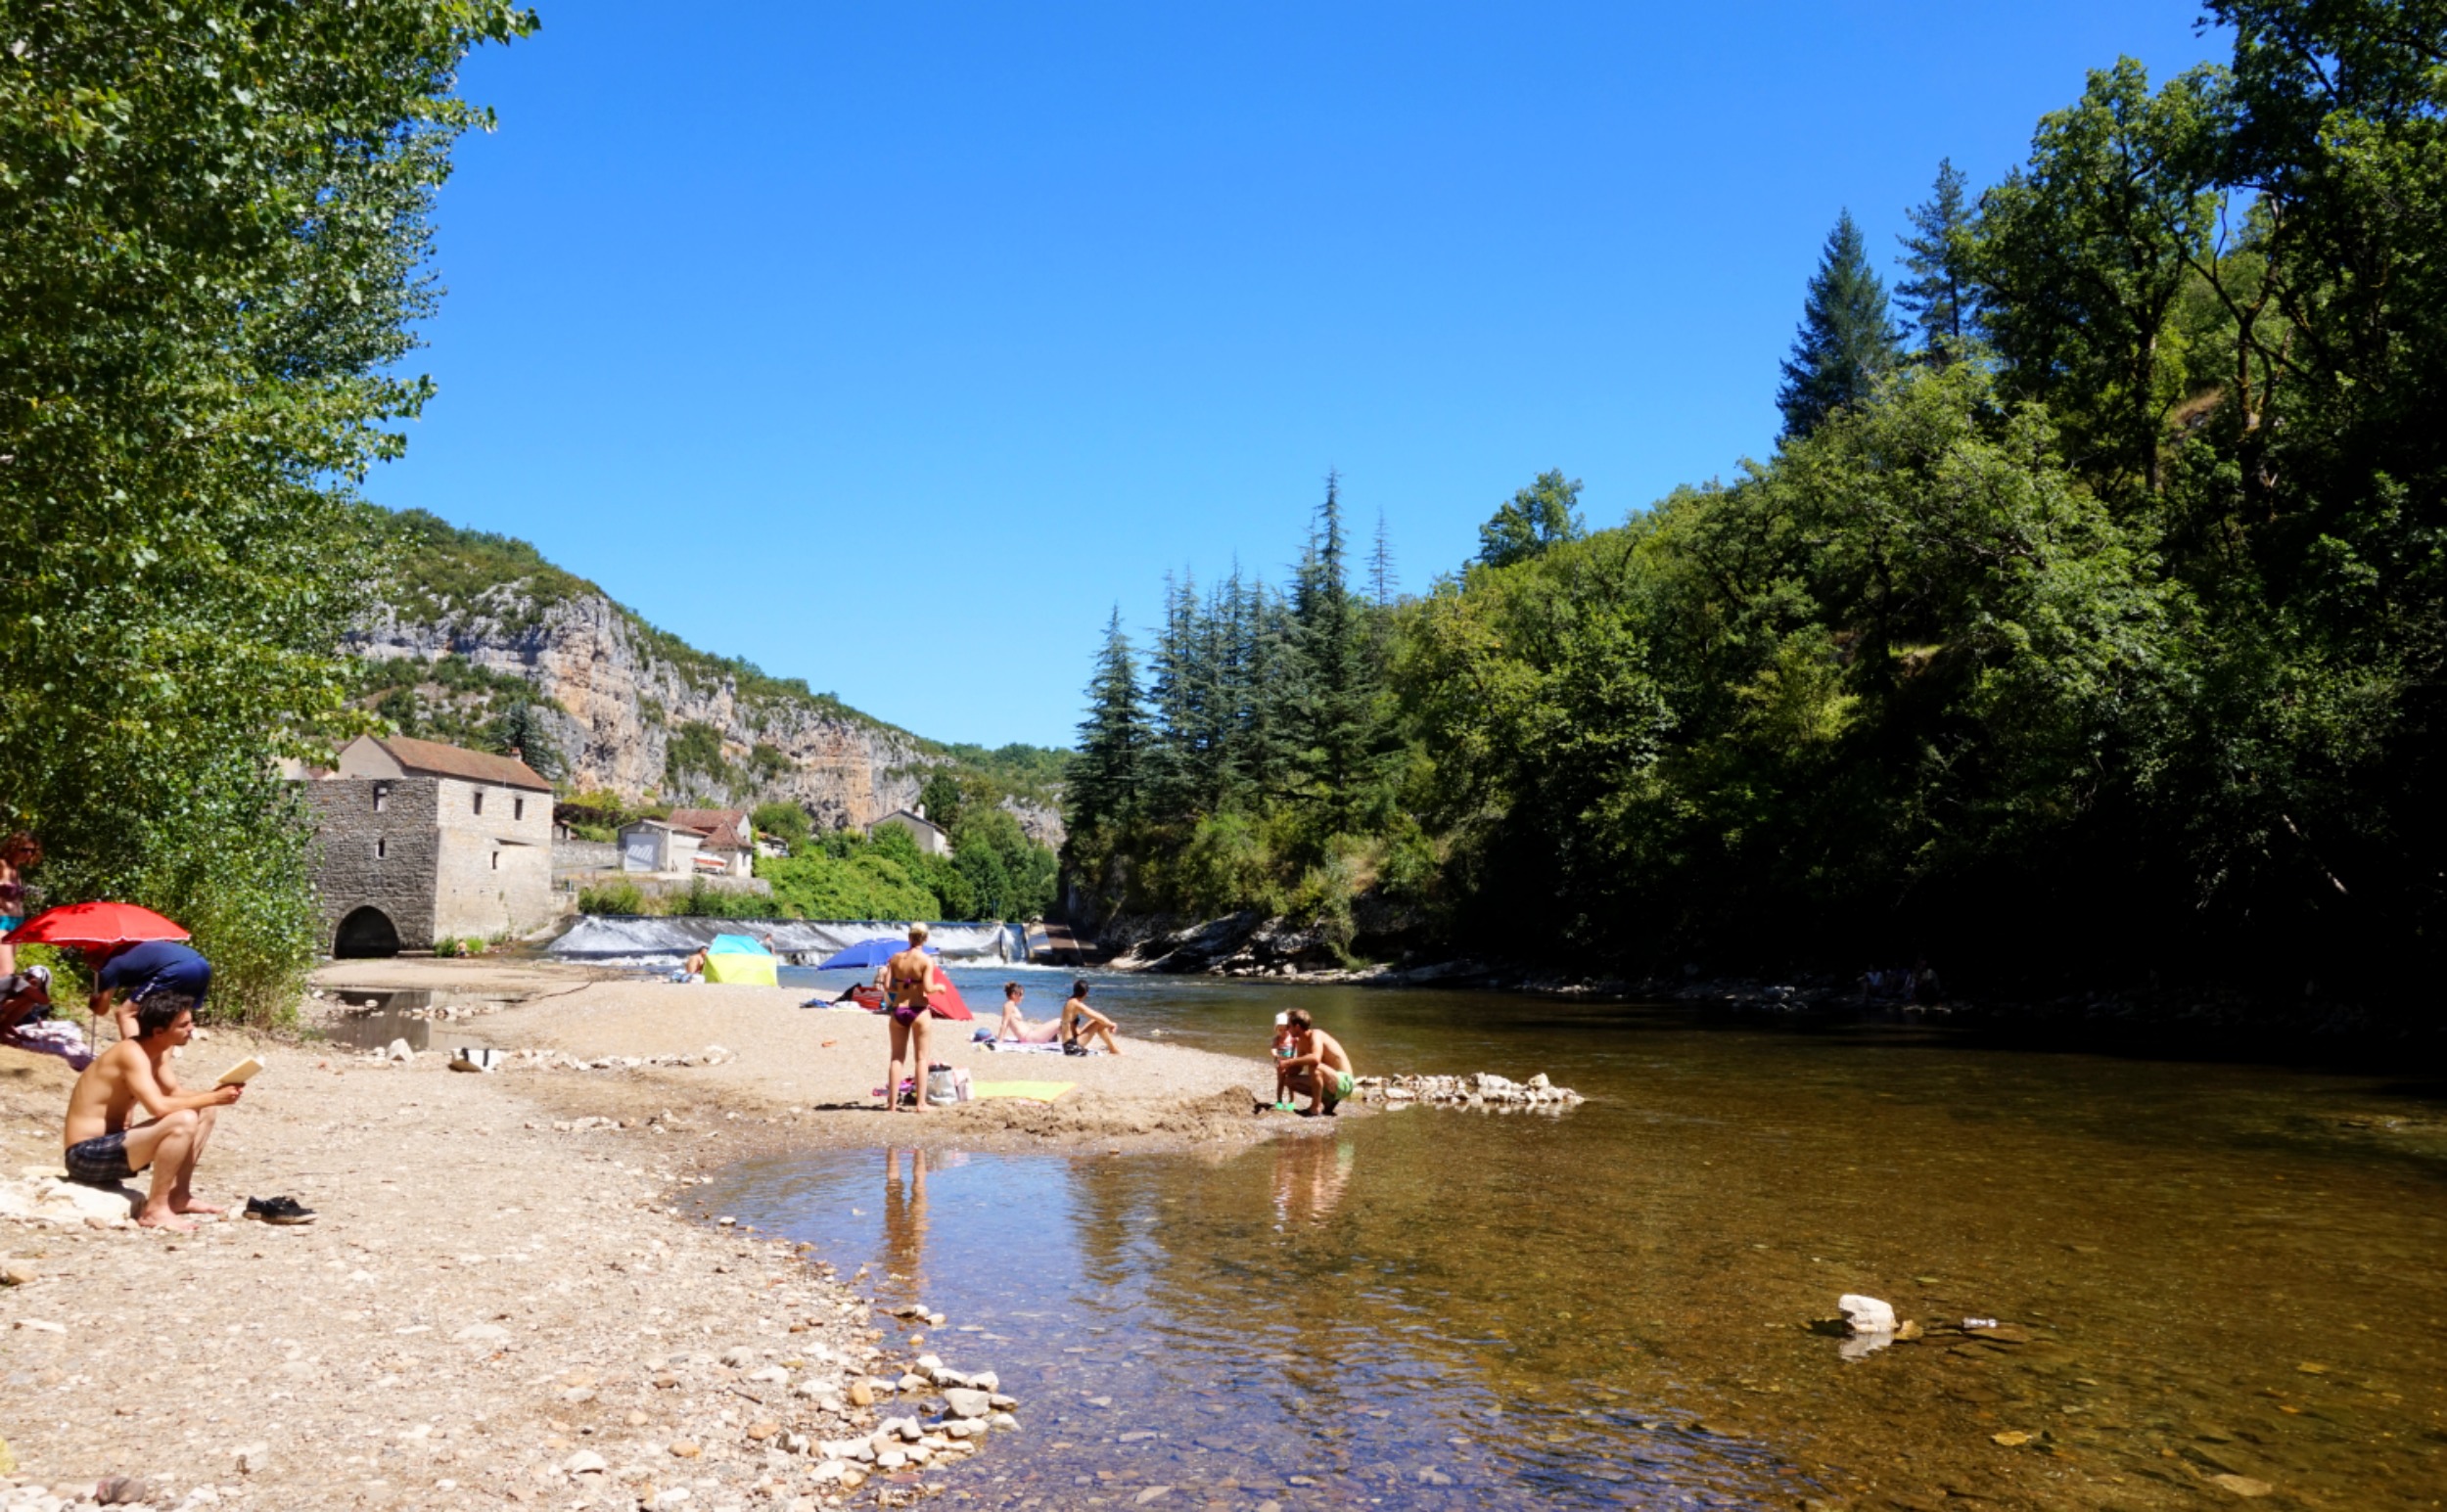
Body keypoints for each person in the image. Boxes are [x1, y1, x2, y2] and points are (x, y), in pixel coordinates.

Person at [60, 992, 242, 1231]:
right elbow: (157, 1107)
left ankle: (178, 1197)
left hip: (114, 1148)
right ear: (158, 1031)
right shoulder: (130, 1053)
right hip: (85, 1156)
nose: (191, 1029)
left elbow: (175, 1092)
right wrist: (215, 1097)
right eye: (184, 1024)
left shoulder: (156, 1052)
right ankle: (154, 1211)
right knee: (184, 1119)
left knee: (204, 1110)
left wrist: (216, 1094)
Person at [89, 939, 210, 1041]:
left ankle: (133, 1062)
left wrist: (94, 1002)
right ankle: (159, 1066)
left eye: (90, 964)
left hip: (177, 968)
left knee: (126, 1013)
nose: (92, 968)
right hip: (201, 963)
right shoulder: (126, 951)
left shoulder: (110, 967)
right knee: (168, 1018)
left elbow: (101, 1010)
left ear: (95, 961)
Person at [882, 924, 947, 1114]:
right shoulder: (926, 960)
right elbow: (928, 988)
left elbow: (888, 986)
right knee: (921, 1058)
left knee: (896, 1058)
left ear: (909, 937)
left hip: (898, 1010)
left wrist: (902, 988)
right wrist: (940, 988)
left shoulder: (895, 959)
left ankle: (892, 1104)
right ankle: (920, 1104)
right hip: (919, 1011)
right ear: (925, 939)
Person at [1279, 1006, 1354, 1116]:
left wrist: (1290, 1062)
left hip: (1344, 1081)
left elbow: (1315, 1058)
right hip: (1329, 1081)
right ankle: (1326, 1101)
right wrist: (1284, 1068)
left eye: (1288, 1026)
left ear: (1297, 1027)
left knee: (1315, 1066)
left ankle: (1315, 1107)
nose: (1286, 1029)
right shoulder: (1300, 1042)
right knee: (1289, 1081)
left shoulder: (1316, 1034)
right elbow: (1297, 1069)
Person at [0, 831, 39, 978]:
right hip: (1, 922)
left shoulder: (16, 871)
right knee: (6, 972)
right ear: (13, 847)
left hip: (16, 923)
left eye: (32, 850)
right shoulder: (1, 865)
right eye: (24, 849)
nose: (28, 854)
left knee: (6, 971)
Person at [1060, 979, 1120, 1056]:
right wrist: (1112, 1024)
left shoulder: (1071, 1002)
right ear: (1086, 993)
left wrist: (1109, 1024)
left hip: (1069, 1042)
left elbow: (1097, 1016)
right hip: (1071, 1046)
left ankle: (1112, 1048)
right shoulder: (1075, 1004)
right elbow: (1098, 1017)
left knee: (1094, 1021)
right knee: (1098, 1022)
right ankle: (1113, 1049)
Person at [994, 982, 1062, 1043]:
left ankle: (1059, 1039)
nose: (1023, 997)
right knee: (1059, 1021)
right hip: (1029, 1038)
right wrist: (1000, 1040)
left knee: (1059, 1024)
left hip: (1030, 1035)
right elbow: (1004, 1023)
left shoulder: (1012, 1005)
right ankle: (1068, 1040)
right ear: (1014, 994)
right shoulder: (1009, 1004)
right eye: (1021, 995)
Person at [1269, 1011, 1299, 1111]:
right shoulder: (1276, 1039)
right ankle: (1279, 1100)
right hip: (1280, 1063)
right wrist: (1275, 1053)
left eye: (1285, 1029)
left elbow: (1298, 1047)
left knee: (1291, 1082)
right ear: (1276, 1029)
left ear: (1289, 1028)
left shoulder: (1293, 1039)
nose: (1282, 1032)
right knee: (1280, 1082)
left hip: (1291, 1063)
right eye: (1279, 1030)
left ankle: (1292, 1101)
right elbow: (1273, 1048)